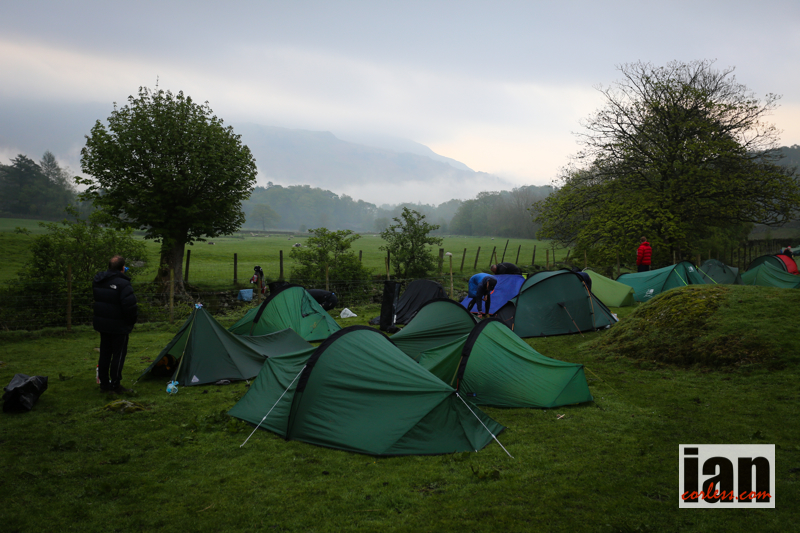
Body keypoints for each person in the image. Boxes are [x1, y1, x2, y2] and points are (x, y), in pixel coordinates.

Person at [93, 255, 138, 394]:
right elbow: (129, 306)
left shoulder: (99, 280)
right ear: (123, 268)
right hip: (119, 326)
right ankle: (115, 384)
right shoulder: (123, 284)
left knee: (105, 353)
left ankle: (104, 384)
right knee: (118, 355)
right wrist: (130, 322)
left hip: (103, 324)